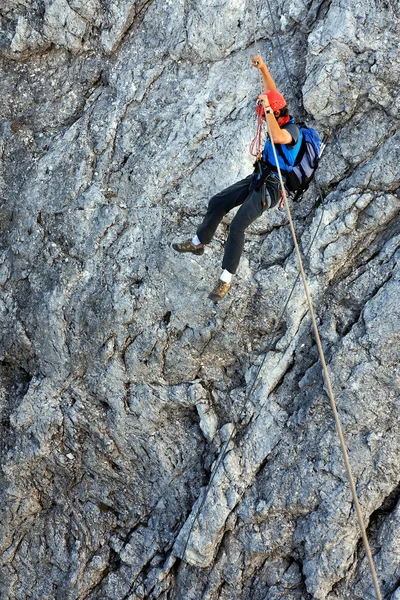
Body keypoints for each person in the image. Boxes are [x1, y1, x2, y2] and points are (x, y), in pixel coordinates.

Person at [172, 55, 302, 302]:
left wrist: (267, 110)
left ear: (274, 114)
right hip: (259, 176)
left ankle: (225, 279)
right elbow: (273, 92)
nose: (262, 119)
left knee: (238, 225)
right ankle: (199, 241)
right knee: (217, 202)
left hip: (272, 188)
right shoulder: (279, 113)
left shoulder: (292, 131)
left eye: (265, 116)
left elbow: (277, 137)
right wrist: (264, 68)